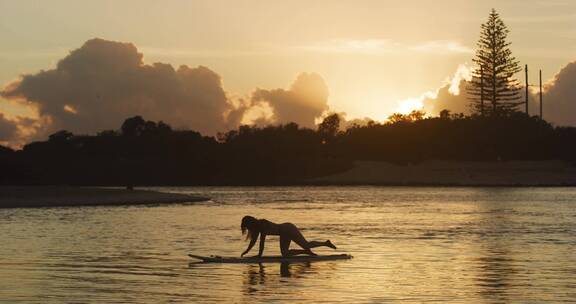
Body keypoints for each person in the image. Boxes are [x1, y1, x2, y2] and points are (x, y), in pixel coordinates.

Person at [240, 215, 337, 257]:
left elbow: (262, 241)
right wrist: (246, 252)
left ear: (251, 222)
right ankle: (307, 250)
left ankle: (323, 244)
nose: (247, 228)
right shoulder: (257, 229)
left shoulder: (262, 224)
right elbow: (253, 241)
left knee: (288, 252)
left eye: (247, 225)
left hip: (287, 229)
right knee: (304, 246)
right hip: (286, 229)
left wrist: (259, 256)